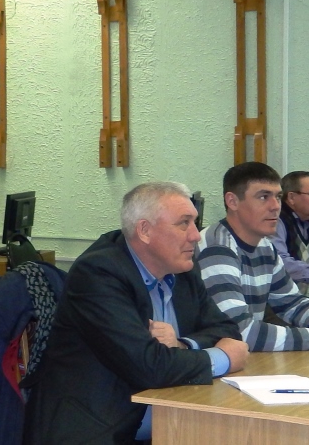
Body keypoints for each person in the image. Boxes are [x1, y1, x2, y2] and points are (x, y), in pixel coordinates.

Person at [23, 182, 246, 444]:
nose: (196, 236)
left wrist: (183, 345)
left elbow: (225, 329)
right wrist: (222, 358)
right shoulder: (97, 274)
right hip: (99, 431)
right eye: (184, 223)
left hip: (171, 422)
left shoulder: (182, 267)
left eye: (195, 223)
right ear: (145, 231)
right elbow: (148, 367)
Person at [197, 162, 309, 351]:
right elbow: (239, 332)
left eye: (278, 197)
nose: (275, 206)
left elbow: (290, 302)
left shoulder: (264, 245)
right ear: (232, 202)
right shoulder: (217, 248)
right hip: (211, 361)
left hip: (243, 358)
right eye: (263, 197)